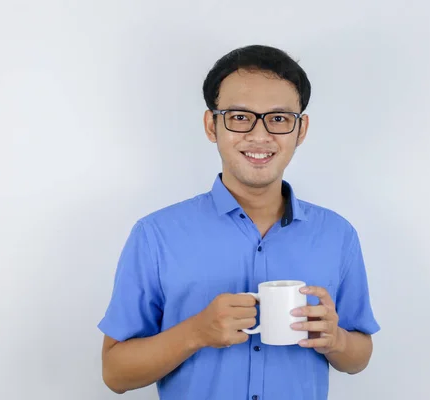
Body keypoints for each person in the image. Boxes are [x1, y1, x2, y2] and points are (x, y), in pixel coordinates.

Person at [98, 44, 380, 400]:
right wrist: (196, 332)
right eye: (240, 116)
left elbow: (358, 357)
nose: (259, 136)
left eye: (279, 119)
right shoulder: (155, 235)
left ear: (301, 129)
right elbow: (115, 374)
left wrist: (336, 340)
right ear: (211, 125)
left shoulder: (338, 235)